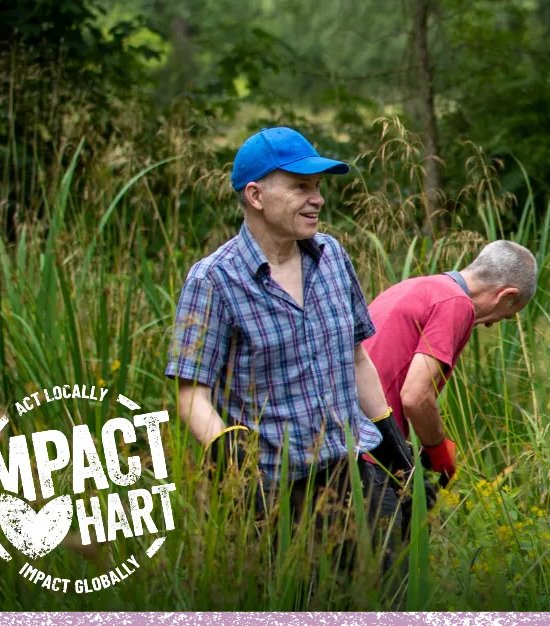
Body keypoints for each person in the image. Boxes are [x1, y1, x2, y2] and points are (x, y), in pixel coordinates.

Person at [165, 126, 416, 569]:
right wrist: (235, 463)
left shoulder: (333, 257)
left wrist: (392, 443)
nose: (317, 198)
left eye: (318, 187)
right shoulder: (214, 281)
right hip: (276, 497)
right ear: (256, 195)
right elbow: (191, 398)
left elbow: (357, 358)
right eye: (301, 186)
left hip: (356, 478)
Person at [361, 241, 538, 536]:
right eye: (506, 315)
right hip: (370, 459)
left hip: (340, 447)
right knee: (389, 576)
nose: (493, 325)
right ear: (508, 295)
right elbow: (416, 396)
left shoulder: (416, 286)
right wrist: (438, 450)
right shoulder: (456, 303)